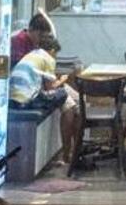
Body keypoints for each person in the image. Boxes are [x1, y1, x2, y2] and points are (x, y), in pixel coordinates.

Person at [7, 13, 79, 160]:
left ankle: (72, 150)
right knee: (66, 99)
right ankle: (68, 153)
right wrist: (62, 80)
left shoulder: (35, 51)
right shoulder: (23, 43)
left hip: (19, 94)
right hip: (28, 98)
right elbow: (50, 88)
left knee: (75, 101)